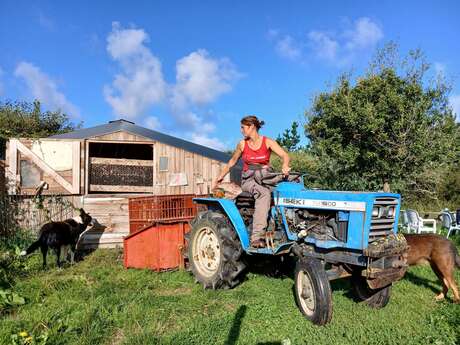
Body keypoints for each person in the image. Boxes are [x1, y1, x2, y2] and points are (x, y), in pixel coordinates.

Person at [213, 115, 290, 248]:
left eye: (243, 127)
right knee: (263, 193)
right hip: (249, 180)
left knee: (287, 186)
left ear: (252, 127)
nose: (241, 130)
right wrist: (220, 176)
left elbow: (285, 155)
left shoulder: (268, 142)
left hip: (265, 177)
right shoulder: (242, 144)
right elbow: (232, 161)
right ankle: (256, 237)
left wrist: (285, 165)